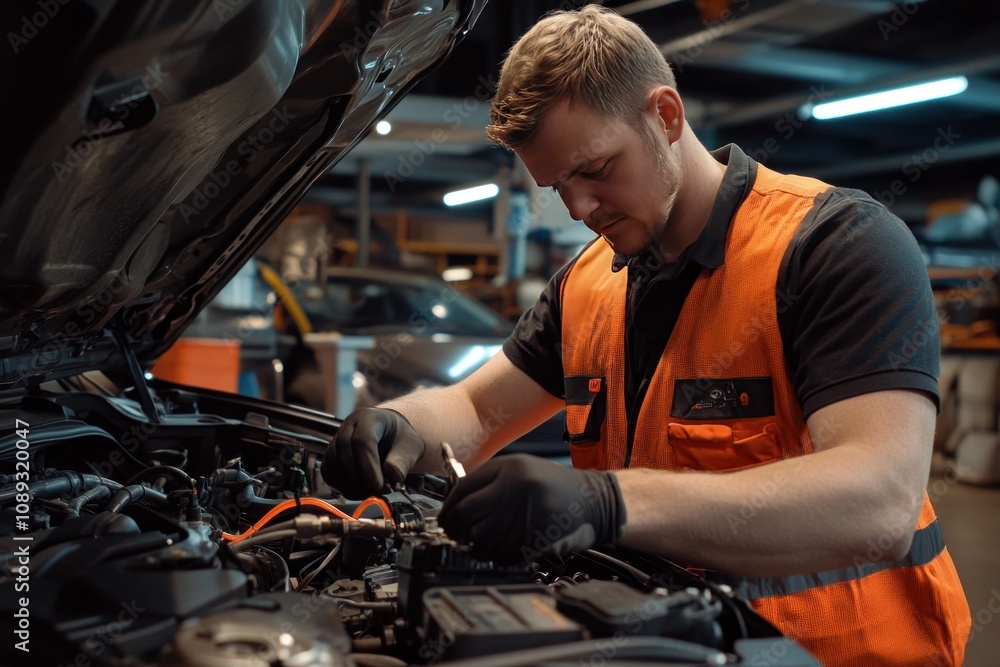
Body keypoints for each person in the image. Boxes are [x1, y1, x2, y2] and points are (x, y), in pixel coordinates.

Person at [321, 6, 970, 665]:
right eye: (557, 186)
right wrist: (397, 423)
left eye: (595, 169)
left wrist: (607, 501)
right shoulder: (587, 284)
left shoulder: (834, 247)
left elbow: (879, 501)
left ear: (665, 115)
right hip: (665, 644)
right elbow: (472, 409)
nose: (578, 210)